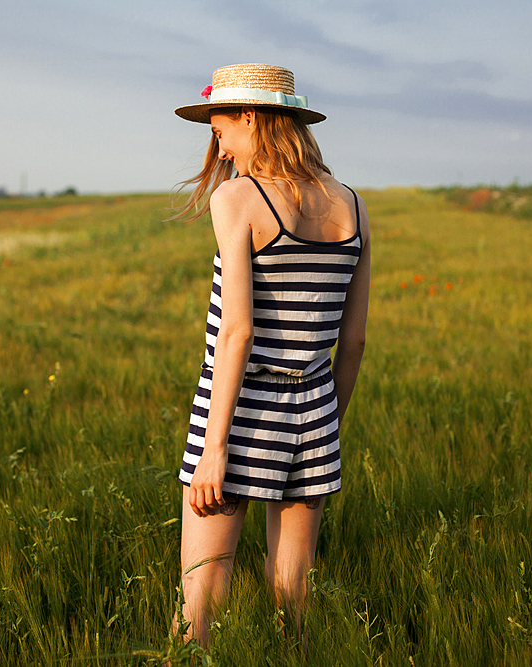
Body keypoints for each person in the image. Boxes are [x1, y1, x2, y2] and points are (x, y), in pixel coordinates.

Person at [172, 63, 370, 646]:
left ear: (251, 117)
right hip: (315, 405)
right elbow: (353, 341)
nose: (216, 137)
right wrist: (328, 419)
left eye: (220, 124)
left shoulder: (238, 198)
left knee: (200, 606)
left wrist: (214, 449)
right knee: (294, 600)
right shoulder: (352, 204)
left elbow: (237, 332)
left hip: (239, 405)